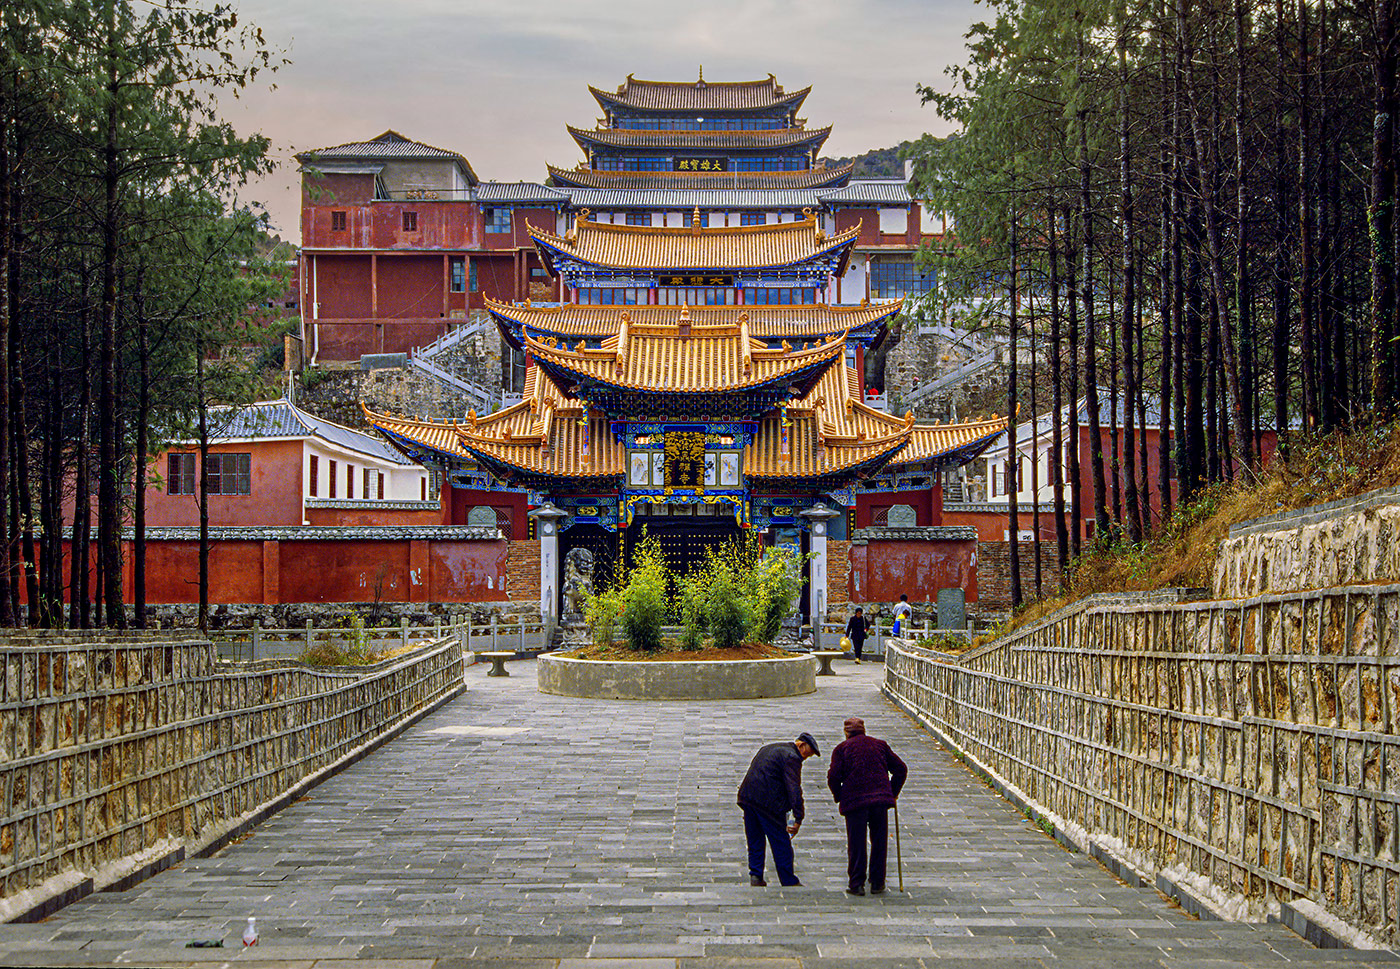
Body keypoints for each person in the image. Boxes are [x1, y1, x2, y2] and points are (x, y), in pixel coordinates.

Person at [827, 716, 907, 896]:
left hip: (855, 801)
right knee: (879, 841)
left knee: (856, 842)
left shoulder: (842, 749)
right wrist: (891, 793)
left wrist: (839, 795)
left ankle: (857, 884)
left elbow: (833, 776)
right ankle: (878, 883)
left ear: (846, 732)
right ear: (863, 730)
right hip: (879, 800)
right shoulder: (879, 745)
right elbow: (901, 769)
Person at [737, 731, 820, 887]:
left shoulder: (770, 747)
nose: (805, 758)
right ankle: (788, 879)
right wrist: (798, 817)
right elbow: (794, 788)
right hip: (768, 803)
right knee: (781, 842)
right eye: (806, 754)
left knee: (755, 839)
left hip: (748, 797)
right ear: (801, 745)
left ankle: (755, 875)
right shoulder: (792, 757)